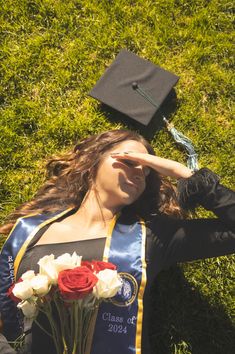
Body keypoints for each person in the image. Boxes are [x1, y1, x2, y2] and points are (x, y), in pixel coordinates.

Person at [0, 129, 234, 354]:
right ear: (94, 162)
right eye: (130, 162)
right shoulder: (29, 231)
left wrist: (187, 176)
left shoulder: (151, 236)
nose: (139, 174)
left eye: (147, 171)